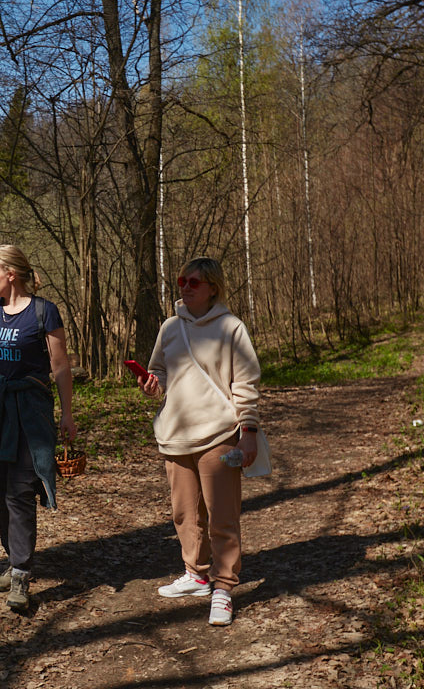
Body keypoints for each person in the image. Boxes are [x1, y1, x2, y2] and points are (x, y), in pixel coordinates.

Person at [137, 257, 261, 626]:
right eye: (182, 281)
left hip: (219, 435)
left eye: (194, 282)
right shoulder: (170, 328)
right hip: (175, 436)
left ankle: (223, 587)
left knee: (222, 515)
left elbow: (247, 383)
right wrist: (151, 383)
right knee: (184, 514)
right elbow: (159, 370)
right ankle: (196, 575)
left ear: (212, 287)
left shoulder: (231, 328)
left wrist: (249, 432)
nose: (186, 287)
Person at [0, 244, 77, 611]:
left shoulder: (45, 312)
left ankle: (21, 573)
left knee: (20, 490)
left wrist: (67, 414)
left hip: (30, 411)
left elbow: (60, 367)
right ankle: (13, 558)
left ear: (10, 274)